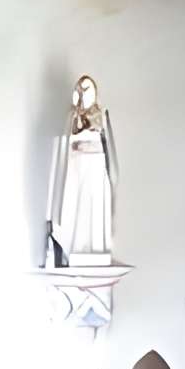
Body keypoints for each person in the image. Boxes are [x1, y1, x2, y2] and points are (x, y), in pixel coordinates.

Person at [48, 72, 116, 263]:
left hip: (95, 169)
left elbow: (106, 146)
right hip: (78, 168)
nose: (84, 95)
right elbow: (68, 142)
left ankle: (96, 250)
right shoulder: (73, 118)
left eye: (88, 90)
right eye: (81, 91)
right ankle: (76, 247)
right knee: (78, 208)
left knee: (95, 208)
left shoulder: (101, 116)